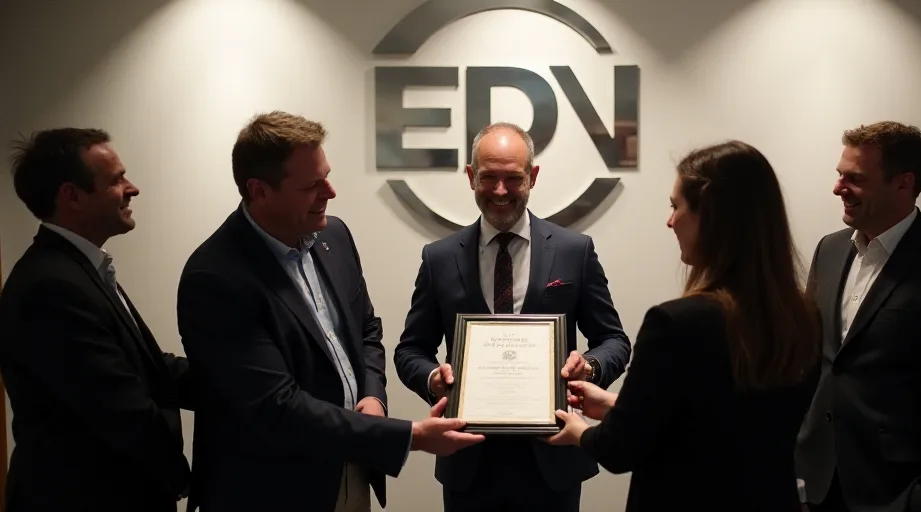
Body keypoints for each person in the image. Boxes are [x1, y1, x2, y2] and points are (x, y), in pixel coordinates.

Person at [175, 111, 483, 512]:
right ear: (259, 190)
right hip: (272, 489)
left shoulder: (331, 235)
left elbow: (366, 331)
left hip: (351, 471)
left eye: (327, 175)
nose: (330, 191)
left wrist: (374, 398)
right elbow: (277, 408)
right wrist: (410, 435)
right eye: (311, 185)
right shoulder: (216, 278)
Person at [548, 140, 822, 511]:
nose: (670, 220)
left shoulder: (675, 324)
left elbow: (618, 449)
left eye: (676, 206)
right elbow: (723, 421)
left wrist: (580, 431)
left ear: (709, 214)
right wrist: (618, 405)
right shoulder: (803, 317)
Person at [393, 122, 633, 512]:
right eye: (489, 177)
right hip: (469, 462)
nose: (500, 191)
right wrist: (433, 379)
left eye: (513, 178)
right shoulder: (438, 258)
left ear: (532, 177)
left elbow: (615, 342)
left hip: (553, 459)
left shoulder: (575, 251)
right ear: (471, 177)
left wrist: (588, 367)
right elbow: (410, 350)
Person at [795, 121, 921, 512]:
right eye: (840, 175)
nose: (839, 188)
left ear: (903, 183)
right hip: (817, 486)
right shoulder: (830, 249)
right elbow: (813, 364)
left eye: (855, 179)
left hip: (897, 494)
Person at [0, 128, 194, 512]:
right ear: (71, 196)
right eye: (116, 179)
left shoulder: (78, 271)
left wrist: (249, 380)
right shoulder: (51, 287)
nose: (132, 188)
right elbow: (124, 411)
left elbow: (150, 368)